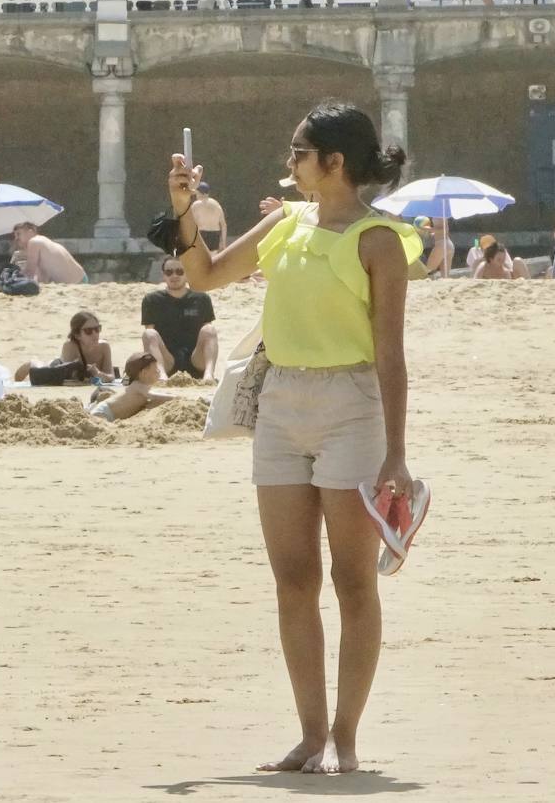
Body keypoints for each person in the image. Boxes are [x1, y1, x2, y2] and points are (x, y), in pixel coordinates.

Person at [167, 101, 423, 774]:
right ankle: (310, 735)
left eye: (299, 152)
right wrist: (184, 210)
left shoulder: (378, 239)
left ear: (334, 162)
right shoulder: (287, 221)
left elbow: (391, 355)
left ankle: (345, 737)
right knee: (293, 580)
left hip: (352, 406)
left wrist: (397, 452)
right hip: (281, 403)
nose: (289, 163)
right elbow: (207, 273)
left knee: (352, 581)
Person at [141, 255, 218, 380]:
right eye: (169, 272)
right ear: (164, 275)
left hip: (196, 360)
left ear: (187, 274)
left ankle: (209, 375)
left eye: (180, 271)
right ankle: (161, 377)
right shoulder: (152, 300)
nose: (174, 276)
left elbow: (208, 337)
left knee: (209, 329)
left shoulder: (202, 299)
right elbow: (150, 339)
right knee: (149, 333)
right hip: (167, 361)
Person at [13, 311, 116, 385]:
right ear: (77, 335)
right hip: (55, 367)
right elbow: (67, 377)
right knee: (33, 367)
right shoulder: (70, 346)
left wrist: (97, 373)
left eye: (97, 329)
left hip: (70, 373)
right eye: (88, 331)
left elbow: (111, 377)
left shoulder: (104, 347)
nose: (95, 334)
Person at [88, 352, 175, 422]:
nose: (159, 372)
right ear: (144, 373)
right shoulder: (138, 385)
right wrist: (175, 397)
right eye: (156, 370)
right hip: (104, 412)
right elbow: (153, 395)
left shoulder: (142, 387)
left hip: (110, 414)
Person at [11, 222, 86, 284]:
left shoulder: (34, 242)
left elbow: (29, 273)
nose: (16, 239)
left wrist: (13, 278)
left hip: (76, 284)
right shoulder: (44, 241)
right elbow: (42, 278)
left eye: (18, 234)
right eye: (15, 236)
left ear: (30, 232)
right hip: (82, 279)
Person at [190, 182, 228, 251]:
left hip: (202, 234)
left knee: (201, 256)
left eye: (197, 193)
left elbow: (192, 224)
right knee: (213, 256)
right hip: (215, 235)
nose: (196, 195)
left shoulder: (196, 205)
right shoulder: (216, 204)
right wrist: (223, 244)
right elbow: (223, 225)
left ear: (200, 193)